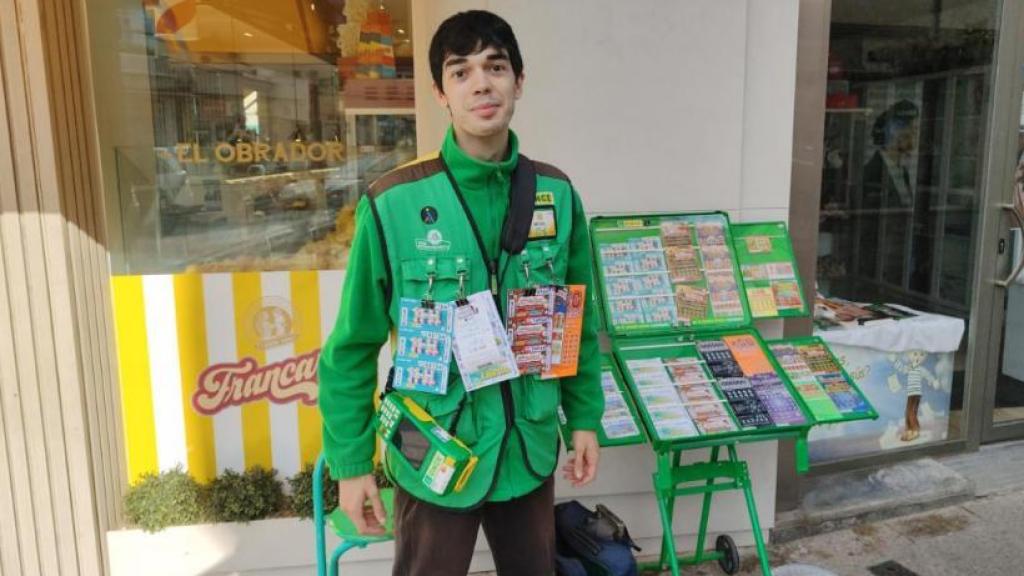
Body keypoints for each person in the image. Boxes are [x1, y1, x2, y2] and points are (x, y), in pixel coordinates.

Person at [318, 10, 604, 576]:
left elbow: (578, 322)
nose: (481, 83)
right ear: (440, 93)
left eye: (495, 67)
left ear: (518, 82)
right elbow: (351, 346)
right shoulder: (394, 202)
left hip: (528, 445)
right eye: (461, 71)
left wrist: (585, 417)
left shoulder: (557, 195)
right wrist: (352, 465)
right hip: (437, 452)